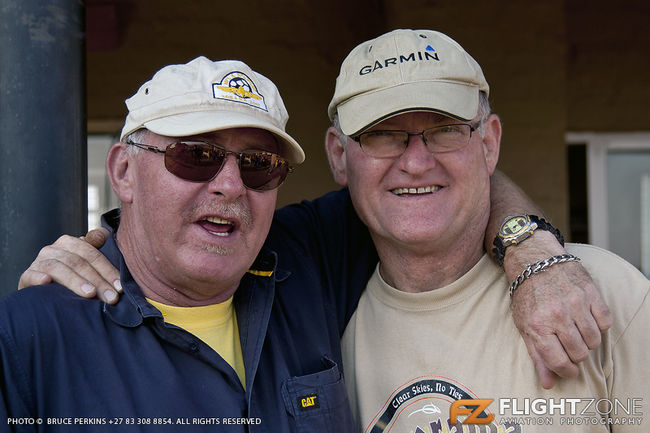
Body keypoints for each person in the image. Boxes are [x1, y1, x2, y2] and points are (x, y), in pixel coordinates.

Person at [12, 35, 610, 431]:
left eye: (258, 165)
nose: (228, 185)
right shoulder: (30, 337)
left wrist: (531, 249)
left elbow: (450, 181)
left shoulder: (305, 260)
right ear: (123, 170)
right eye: (195, 156)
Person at [320, 29, 649, 431]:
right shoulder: (325, 343)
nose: (417, 162)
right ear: (338, 156)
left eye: (445, 129)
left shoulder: (601, 297)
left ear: (489, 144)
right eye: (381, 134)